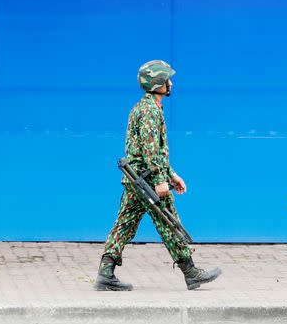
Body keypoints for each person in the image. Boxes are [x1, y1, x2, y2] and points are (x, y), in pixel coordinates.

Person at [94, 60, 222, 291]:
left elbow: (153, 151)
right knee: (170, 224)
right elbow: (150, 149)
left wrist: (172, 174)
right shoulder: (150, 110)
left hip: (138, 178)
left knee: (124, 224)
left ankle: (106, 272)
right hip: (148, 181)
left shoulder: (143, 107)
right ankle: (191, 272)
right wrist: (161, 180)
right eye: (167, 79)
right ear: (158, 83)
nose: (171, 83)